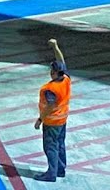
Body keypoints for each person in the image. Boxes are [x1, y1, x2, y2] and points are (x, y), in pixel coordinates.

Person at [33, 39, 70, 182]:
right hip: (62, 120)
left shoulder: (51, 89)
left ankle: (51, 174)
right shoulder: (65, 79)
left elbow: (50, 106)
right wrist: (55, 47)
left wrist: (40, 119)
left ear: (54, 73)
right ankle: (60, 169)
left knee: (50, 147)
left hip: (52, 122)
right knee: (60, 144)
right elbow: (61, 61)